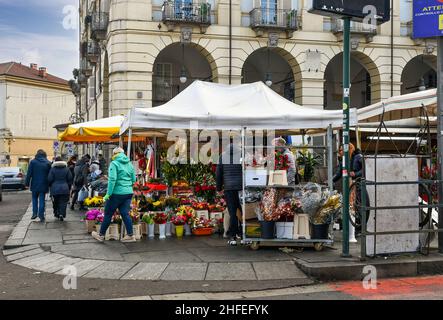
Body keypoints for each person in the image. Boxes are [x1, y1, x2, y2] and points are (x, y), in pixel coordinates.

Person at [92, 147, 137, 243]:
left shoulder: (114, 163)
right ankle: (130, 235)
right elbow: (134, 179)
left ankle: (101, 235)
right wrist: (127, 186)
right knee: (125, 213)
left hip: (116, 193)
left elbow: (112, 180)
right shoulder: (129, 164)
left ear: (114, 154)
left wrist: (108, 194)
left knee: (108, 214)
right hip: (128, 192)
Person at [216, 142, 243, 246]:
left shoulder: (222, 156)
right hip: (241, 187)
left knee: (232, 213)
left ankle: (232, 237)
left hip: (229, 188)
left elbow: (218, 173)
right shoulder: (242, 154)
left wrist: (219, 188)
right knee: (242, 211)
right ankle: (242, 233)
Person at [25, 149, 51, 222]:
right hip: (44, 184)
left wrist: (26, 184)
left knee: (34, 199)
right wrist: (50, 184)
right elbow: (50, 175)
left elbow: (29, 174)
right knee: (42, 200)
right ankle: (41, 215)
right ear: (45, 155)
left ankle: (34, 213)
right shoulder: (48, 163)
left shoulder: (33, 162)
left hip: (34, 184)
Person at [48, 156, 72, 221]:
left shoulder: (52, 169)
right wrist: (68, 186)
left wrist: (50, 185)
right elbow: (70, 178)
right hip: (65, 188)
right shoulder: (67, 169)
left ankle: (56, 213)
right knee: (63, 202)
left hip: (55, 188)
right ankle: (62, 214)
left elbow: (49, 179)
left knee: (55, 202)